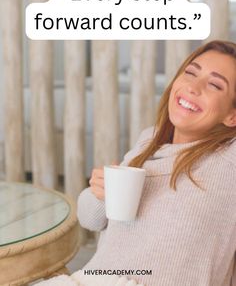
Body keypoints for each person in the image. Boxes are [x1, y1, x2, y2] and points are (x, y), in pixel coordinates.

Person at [36, 40, 236, 286]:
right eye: (190, 72)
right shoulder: (148, 142)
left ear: (232, 115)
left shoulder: (228, 161)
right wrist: (99, 193)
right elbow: (91, 220)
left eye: (215, 85)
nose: (193, 87)